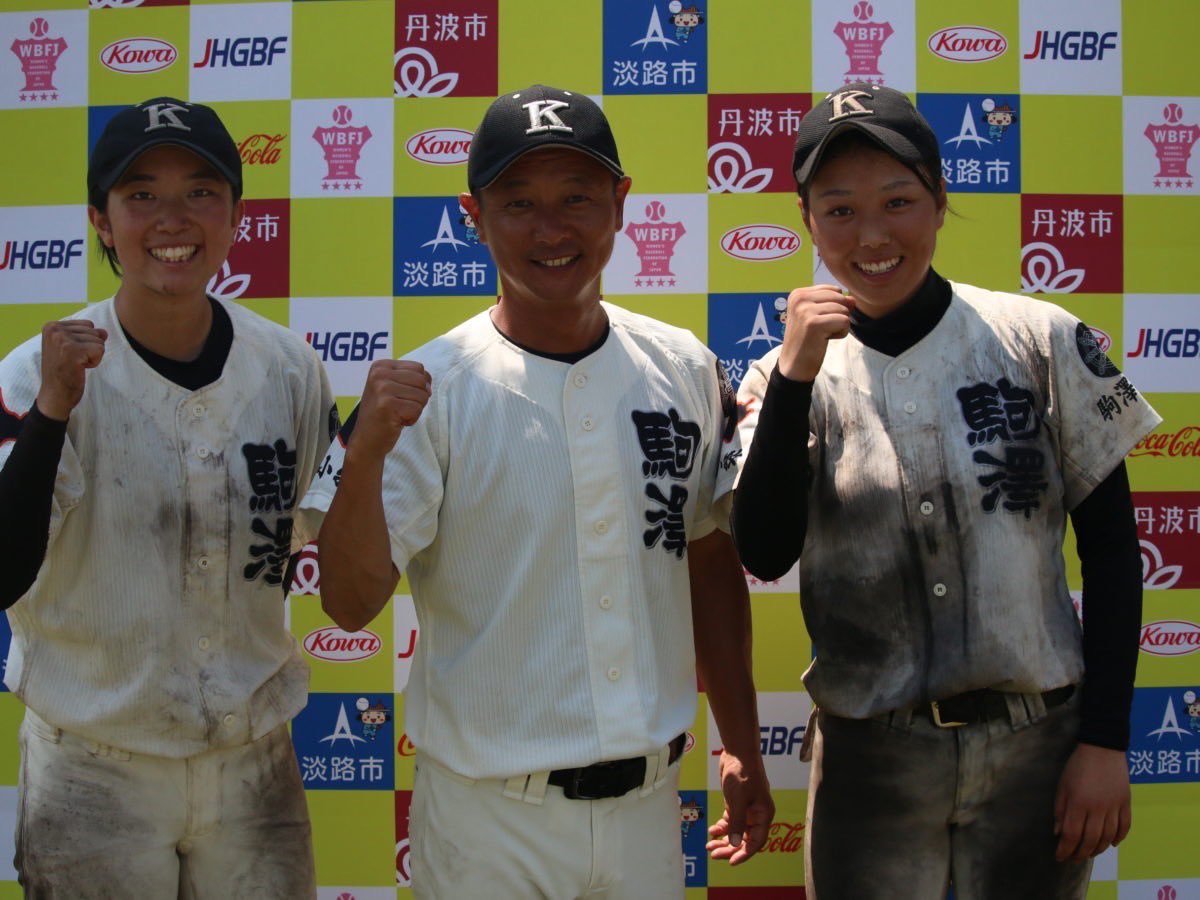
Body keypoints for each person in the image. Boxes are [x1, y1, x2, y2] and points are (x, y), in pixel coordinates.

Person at [301, 84, 773, 899]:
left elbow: (707, 563)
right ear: (473, 214)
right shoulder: (431, 387)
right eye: (518, 202)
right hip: (491, 821)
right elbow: (347, 604)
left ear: (621, 205)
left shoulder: (684, 367)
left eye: (577, 198)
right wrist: (369, 456)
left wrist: (741, 741)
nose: (551, 229)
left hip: (648, 811)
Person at [730, 82, 1160, 899]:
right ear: (807, 222)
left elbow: (1112, 553)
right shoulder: (785, 374)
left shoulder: (1039, 339)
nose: (873, 235)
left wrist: (1106, 742)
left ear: (939, 202)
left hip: (1038, 749)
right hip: (870, 758)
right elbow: (763, 547)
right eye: (840, 210)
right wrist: (791, 381)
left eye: (898, 201)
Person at [0, 97, 336, 898]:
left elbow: (325, 538)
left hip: (253, 757)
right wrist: (51, 411)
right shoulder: (32, 373)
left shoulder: (288, 368)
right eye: (140, 194)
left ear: (234, 217)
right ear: (101, 222)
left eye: (201, 192)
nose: (171, 218)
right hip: (93, 759)